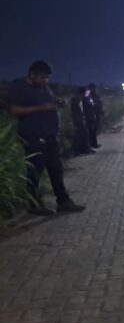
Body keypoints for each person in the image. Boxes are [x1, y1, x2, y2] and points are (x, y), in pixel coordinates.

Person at [7, 61, 86, 215]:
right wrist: (42, 108)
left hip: (50, 136)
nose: (46, 81)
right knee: (35, 171)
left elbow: (49, 100)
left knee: (56, 169)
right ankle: (34, 204)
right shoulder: (19, 87)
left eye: (47, 78)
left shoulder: (43, 87)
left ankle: (63, 201)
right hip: (33, 136)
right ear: (32, 75)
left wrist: (57, 102)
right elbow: (14, 110)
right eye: (43, 77)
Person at [70, 87, 95, 155]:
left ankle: (85, 149)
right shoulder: (76, 98)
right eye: (85, 92)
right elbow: (79, 109)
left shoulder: (78, 98)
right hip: (78, 119)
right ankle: (78, 150)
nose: (86, 94)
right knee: (80, 135)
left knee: (84, 134)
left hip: (80, 119)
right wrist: (83, 116)